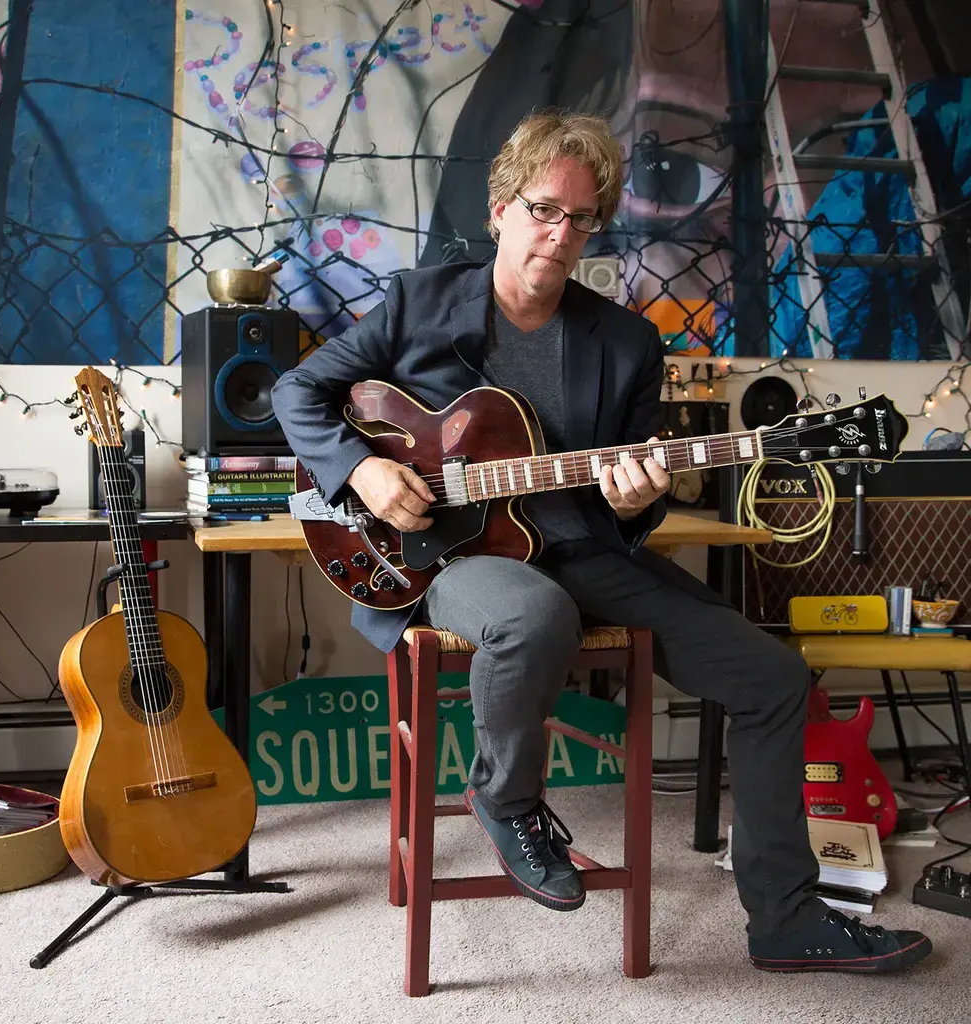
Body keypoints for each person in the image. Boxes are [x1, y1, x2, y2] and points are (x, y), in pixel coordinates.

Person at [271, 110, 933, 974]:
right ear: (501, 207)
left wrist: (635, 501)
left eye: (581, 219)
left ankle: (786, 918)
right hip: (450, 556)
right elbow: (298, 393)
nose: (560, 234)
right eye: (544, 210)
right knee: (532, 616)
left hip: (585, 551)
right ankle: (506, 800)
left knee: (772, 678)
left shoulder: (626, 343)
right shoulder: (419, 303)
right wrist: (360, 471)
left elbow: (628, 512)